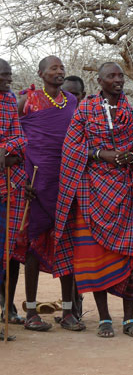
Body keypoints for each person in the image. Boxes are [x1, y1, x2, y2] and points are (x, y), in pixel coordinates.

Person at [54, 62, 133, 338]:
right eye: (112, 76)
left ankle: (129, 320)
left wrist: (128, 157)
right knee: (95, 257)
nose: (118, 79)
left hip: (125, 191)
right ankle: (105, 318)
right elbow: (71, 147)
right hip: (91, 192)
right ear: (100, 81)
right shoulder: (85, 109)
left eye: (120, 75)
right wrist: (100, 154)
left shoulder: (130, 112)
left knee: (129, 260)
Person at [16, 56, 84, 332]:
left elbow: (79, 136)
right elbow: (15, 138)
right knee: (33, 244)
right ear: (41, 73)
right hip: (36, 182)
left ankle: (68, 311)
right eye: (53, 68)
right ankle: (31, 310)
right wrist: (23, 177)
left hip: (66, 179)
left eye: (61, 68)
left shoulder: (71, 101)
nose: (59, 71)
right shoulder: (27, 101)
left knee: (66, 242)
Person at [0, 58, 28, 341]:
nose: (8, 80)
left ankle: (5, 309)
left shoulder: (9, 100)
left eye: (9, 75)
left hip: (7, 184)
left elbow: (20, 139)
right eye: (3, 76)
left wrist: (5, 150)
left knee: (5, 252)